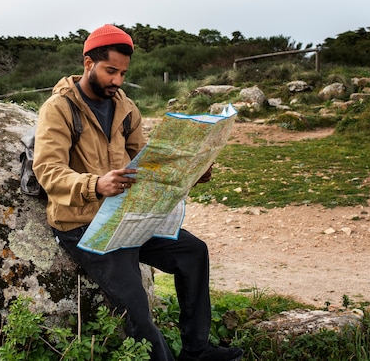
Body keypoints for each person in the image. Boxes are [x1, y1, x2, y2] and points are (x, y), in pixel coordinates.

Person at [33, 24, 244, 361]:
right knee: (137, 306)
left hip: (125, 216)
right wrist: (95, 184)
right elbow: (47, 171)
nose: (117, 80)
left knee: (193, 253)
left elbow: (146, 159)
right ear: (89, 63)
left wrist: (192, 171)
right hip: (82, 225)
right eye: (110, 70)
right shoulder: (58, 109)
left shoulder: (125, 106)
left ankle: (196, 348)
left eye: (123, 73)